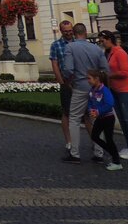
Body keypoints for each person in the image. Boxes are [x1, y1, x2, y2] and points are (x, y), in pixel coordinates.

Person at [60, 23, 109, 163]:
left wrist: (68, 80)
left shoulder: (70, 47)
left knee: (74, 119)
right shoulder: (96, 48)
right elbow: (105, 68)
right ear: (86, 33)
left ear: (74, 34)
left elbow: (68, 69)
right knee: (96, 119)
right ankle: (99, 153)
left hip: (80, 86)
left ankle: (75, 153)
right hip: (95, 88)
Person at [99, 30, 128, 159]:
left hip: (126, 90)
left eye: (102, 40)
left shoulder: (120, 52)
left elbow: (125, 72)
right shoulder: (108, 53)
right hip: (115, 89)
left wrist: (109, 75)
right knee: (122, 119)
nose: (101, 43)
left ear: (109, 39)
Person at [86, 68, 123, 170]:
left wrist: (98, 111)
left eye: (89, 78)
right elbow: (90, 101)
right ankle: (113, 153)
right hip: (100, 117)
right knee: (94, 136)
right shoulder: (93, 90)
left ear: (96, 79)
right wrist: (91, 110)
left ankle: (116, 162)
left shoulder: (104, 90)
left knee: (109, 139)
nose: (87, 81)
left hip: (108, 118)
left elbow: (110, 103)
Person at [49, 19, 76, 156]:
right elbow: (55, 64)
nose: (68, 33)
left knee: (88, 113)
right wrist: (62, 82)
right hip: (66, 82)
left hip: (80, 82)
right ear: (61, 31)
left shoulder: (78, 43)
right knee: (66, 112)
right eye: (65, 31)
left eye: (70, 31)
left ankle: (95, 141)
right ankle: (69, 141)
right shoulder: (56, 45)